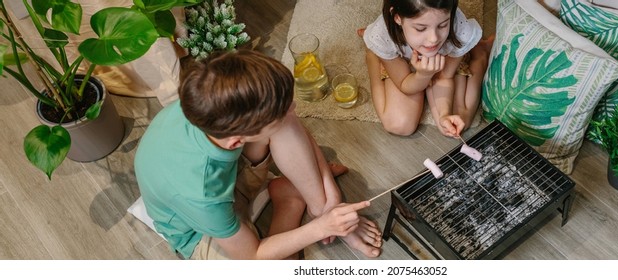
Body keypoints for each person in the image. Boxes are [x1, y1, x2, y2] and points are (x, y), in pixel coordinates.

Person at [134, 49, 382, 260]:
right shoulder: (201, 193)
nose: (295, 108)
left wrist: (331, 202)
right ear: (235, 141)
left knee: (281, 117)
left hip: (227, 179)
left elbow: (288, 117)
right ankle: (290, 201)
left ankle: (316, 204)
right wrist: (322, 228)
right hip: (202, 233)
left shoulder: (207, 97)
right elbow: (252, 256)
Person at [361, 0, 492, 137]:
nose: (433, 39)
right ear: (398, 18)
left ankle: (480, 53)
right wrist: (423, 76)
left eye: (442, 25)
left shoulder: (459, 30)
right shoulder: (383, 35)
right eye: (420, 28)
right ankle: (374, 55)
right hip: (402, 61)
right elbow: (404, 84)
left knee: (455, 125)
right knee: (399, 125)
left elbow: (445, 77)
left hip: (445, 58)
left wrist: (444, 114)